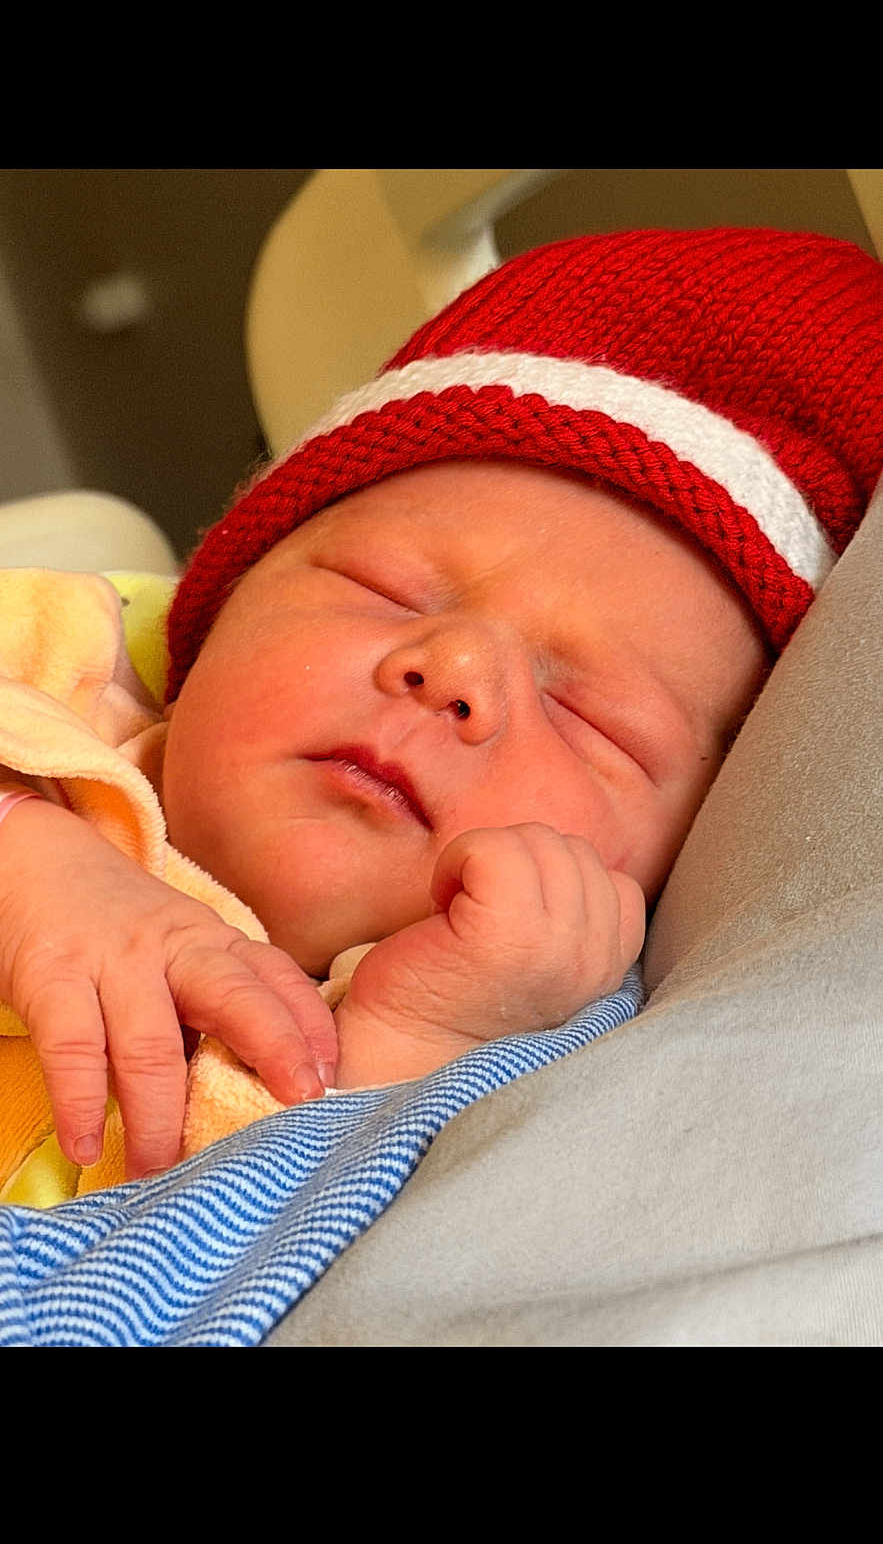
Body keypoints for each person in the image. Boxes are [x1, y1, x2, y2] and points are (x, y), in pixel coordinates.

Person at [1, 225, 881, 1202]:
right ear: (211, 623)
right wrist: (32, 859)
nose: (452, 666)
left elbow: (265, 1281)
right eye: (382, 589)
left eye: (589, 716)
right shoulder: (60, 676)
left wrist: (412, 1047)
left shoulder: (559, 1053)